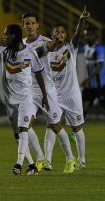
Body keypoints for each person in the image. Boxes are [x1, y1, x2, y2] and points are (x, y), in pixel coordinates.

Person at [0, 24, 49, 175]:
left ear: (14, 36)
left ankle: (18, 164)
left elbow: (39, 73)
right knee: (17, 135)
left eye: (6, 34)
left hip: (26, 99)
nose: (4, 37)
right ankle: (32, 165)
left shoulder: (30, 52)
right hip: (10, 101)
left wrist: (44, 95)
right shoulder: (5, 51)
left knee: (23, 131)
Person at [22, 13, 76, 173]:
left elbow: (50, 47)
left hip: (47, 90)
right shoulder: (22, 44)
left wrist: (57, 40)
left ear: (38, 25)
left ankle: (70, 159)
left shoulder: (45, 41)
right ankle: (40, 158)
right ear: (23, 25)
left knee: (56, 126)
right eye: (26, 23)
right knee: (24, 126)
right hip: (30, 92)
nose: (29, 26)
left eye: (32, 23)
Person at [47, 8, 90, 170]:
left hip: (72, 95)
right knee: (52, 125)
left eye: (62, 32)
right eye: (56, 31)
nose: (59, 33)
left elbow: (78, 35)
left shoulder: (70, 47)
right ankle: (47, 162)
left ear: (65, 35)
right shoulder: (45, 52)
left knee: (76, 127)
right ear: (52, 35)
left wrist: (81, 20)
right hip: (54, 95)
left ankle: (82, 160)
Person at [81, 26, 105, 142]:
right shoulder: (86, 47)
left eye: (89, 35)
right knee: (83, 107)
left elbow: (100, 65)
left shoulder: (99, 48)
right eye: (85, 34)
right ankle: (75, 133)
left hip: (101, 85)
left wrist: (88, 78)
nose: (87, 37)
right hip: (90, 87)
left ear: (95, 36)